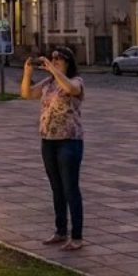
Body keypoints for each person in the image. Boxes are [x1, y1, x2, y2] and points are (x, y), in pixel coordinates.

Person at [21, 45, 86, 252]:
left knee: (70, 189)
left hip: (69, 140)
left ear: (68, 62)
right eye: (52, 58)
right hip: (48, 140)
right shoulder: (48, 83)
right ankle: (60, 231)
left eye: (59, 59)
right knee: (56, 188)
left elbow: (70, 89)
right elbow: (27, 94)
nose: (54, 61)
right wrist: (27, 72)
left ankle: (76, 236)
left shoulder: (76, 81)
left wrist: (54, 70)